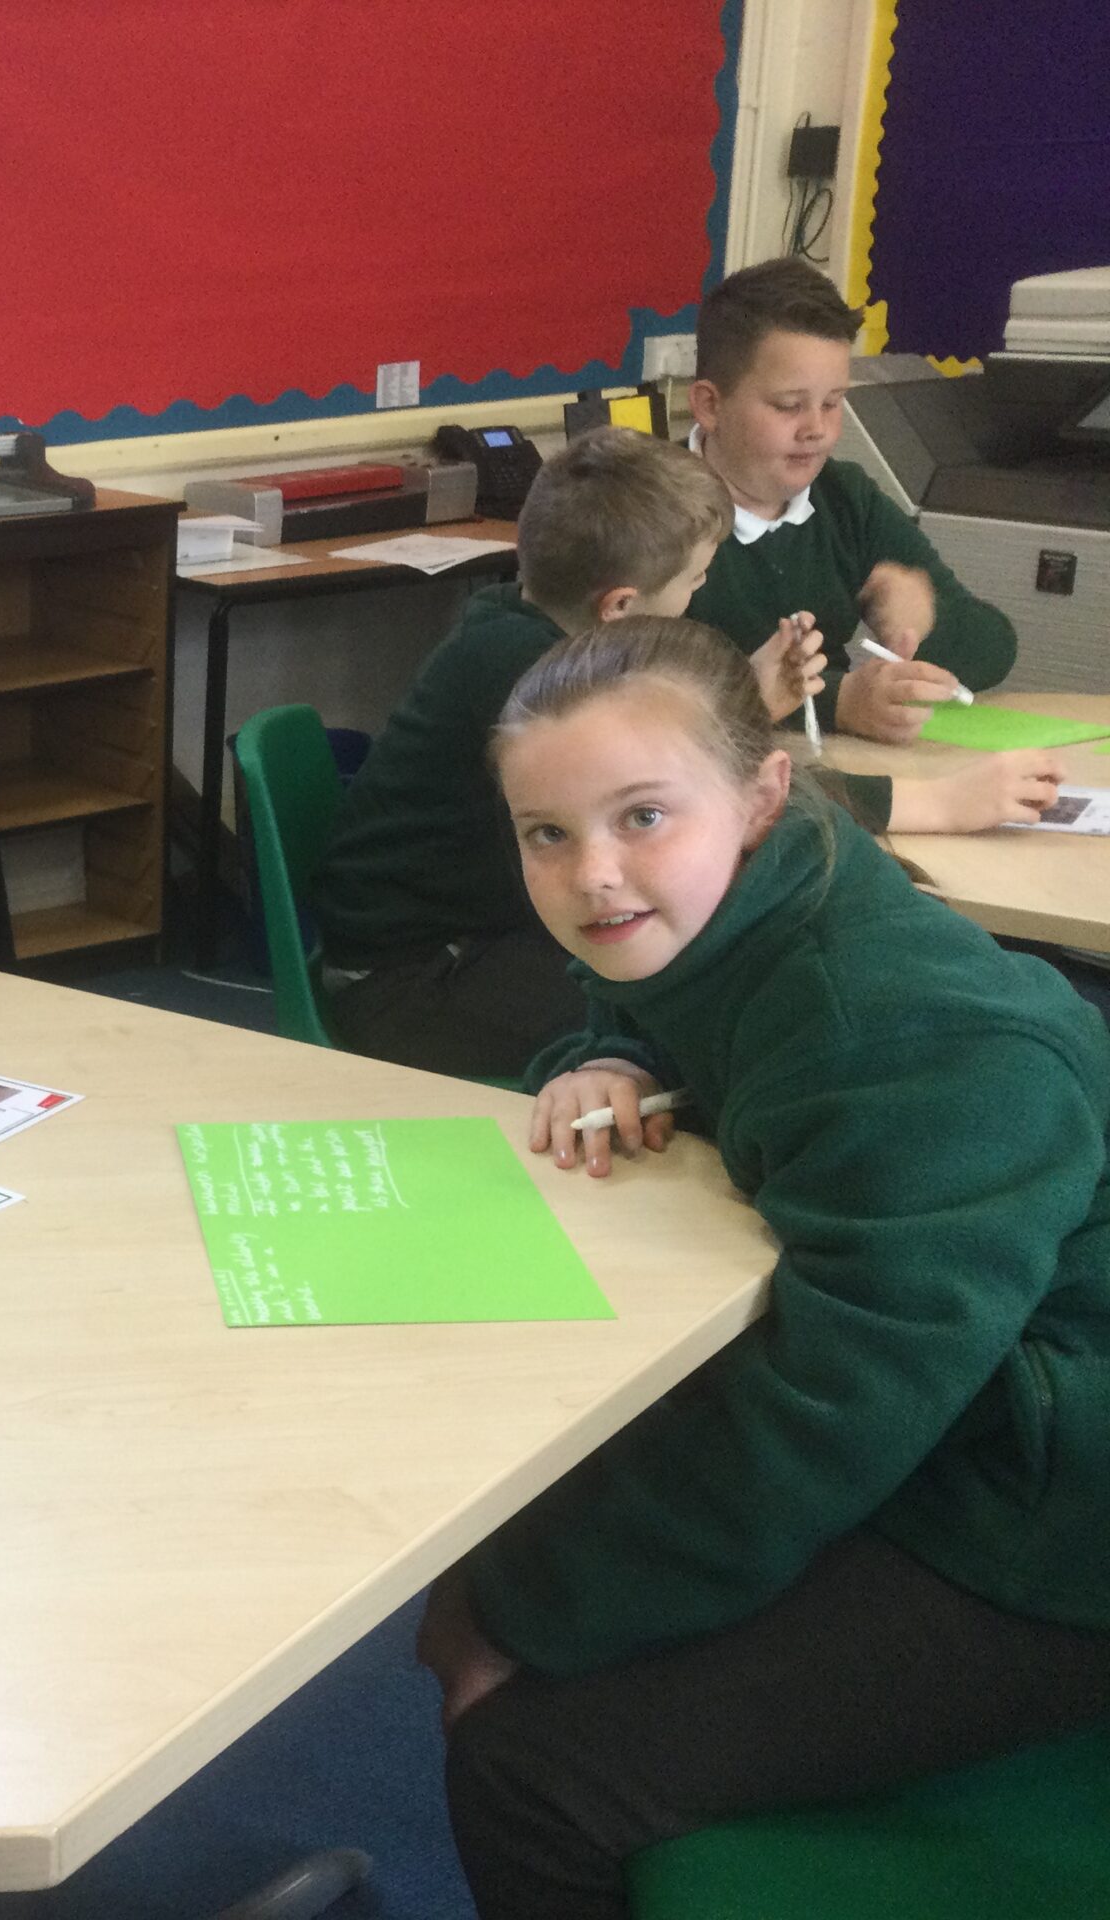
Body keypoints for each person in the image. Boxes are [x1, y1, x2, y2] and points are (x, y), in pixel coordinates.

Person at [417, 617, 1110, 1919]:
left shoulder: (912, 1033)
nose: (595, 878)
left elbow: (836, 1404)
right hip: (970, 1417)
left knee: (530, 1766)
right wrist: (609, 1062)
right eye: (546, 834)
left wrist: (523, 1610)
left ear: (764, 793)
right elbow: (635, 1006)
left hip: (1056, 1515)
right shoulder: (759, 900)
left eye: (641, 817)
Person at [311, 428, 1058, 1081]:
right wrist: (943, 804)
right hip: (418, 980)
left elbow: (687, 777)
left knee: (729, 976)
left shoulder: (523, 629)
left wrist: (743, 696)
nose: (701, 594)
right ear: (622, 610)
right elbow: (703, 797)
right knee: (726, 1003)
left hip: (479, 940)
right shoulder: (531, 683)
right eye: (697, 580)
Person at [683, 255, 1018, 742]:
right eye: (789, 406)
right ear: (710, 405)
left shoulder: (844, 497)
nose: (816, 429)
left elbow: (997, 648)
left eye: (833, 402)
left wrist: (927, 624)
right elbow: (635, 693)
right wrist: (838, 700)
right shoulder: (646, 509)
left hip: (833, 776)